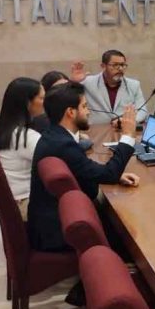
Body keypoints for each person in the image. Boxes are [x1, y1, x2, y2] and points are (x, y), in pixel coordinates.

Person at [27, 82, 140, 254]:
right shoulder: (63, 145)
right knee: (133, 233)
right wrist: (128, 135)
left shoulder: (54, 135)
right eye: (85, 106)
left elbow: (87, 170)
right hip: (58, 233)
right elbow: (109, 174)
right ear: (71, 112)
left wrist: (116, 176)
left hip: (53, 222)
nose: (88, 112)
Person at [0, 78, 44, 219]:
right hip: (25, 203)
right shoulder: (25, 137)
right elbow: (58, 158)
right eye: (42, 98)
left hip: (16, 198)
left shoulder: (7, 129)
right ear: (28, 103)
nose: (45, 102)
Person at [69, 50, 148, 126]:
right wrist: (73, 81)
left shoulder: (134, 85)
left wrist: (127, 121)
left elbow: (143, 111)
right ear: (103, 66)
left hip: (123, 129)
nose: (120, 68)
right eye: (115, 65)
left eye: (123, 65)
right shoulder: (87, 82)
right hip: (95, 131)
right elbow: (66, 98)